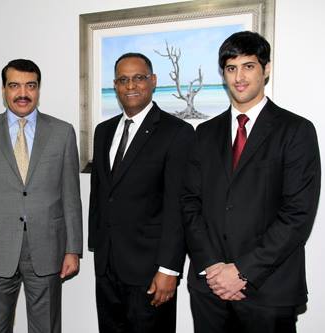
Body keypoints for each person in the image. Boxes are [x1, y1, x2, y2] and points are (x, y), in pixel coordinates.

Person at [181, 31, 321, 333]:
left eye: (248, 66)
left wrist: (241, 271)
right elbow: (190, 204)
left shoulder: (296, 131)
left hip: (269, 290)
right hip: (210, 290)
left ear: (266, 69)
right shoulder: (203, 134)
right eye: (231, 68)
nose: (239, 77)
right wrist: (213, 267)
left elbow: (297, 215)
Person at [0, 59, 83, 333]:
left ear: (38, 89)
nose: (22, 93)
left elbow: (71, 196)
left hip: (47, 248)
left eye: (30, 85)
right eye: (14, 85)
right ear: (4, 90)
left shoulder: (62, 132)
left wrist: (73, 249)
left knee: (46, 328)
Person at [88, 52, 195, 333]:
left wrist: (169, 269)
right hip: (108, 266)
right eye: (123, 80)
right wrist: (97, 246)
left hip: (151, 271)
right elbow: (100, 194)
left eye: (138, 78)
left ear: (153, 81)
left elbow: (177, 206)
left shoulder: (177, 132)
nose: (131, 86)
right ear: (115, 85)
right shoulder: (103, 131)